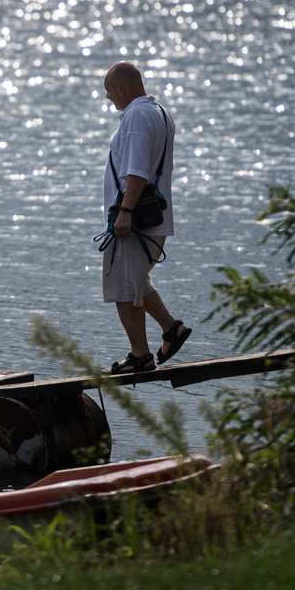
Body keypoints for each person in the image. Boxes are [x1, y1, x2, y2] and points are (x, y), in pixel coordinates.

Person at [100, 61, 191, 373]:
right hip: (154, 219)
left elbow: (137, 170)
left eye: (109, 91)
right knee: (136, 280)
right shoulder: (159, 112)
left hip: (134, 222)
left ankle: (140, 356)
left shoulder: (137, 115)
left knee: (123, 286)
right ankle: (171, 328)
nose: (108, 98)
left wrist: (124, 213)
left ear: (121, 88)